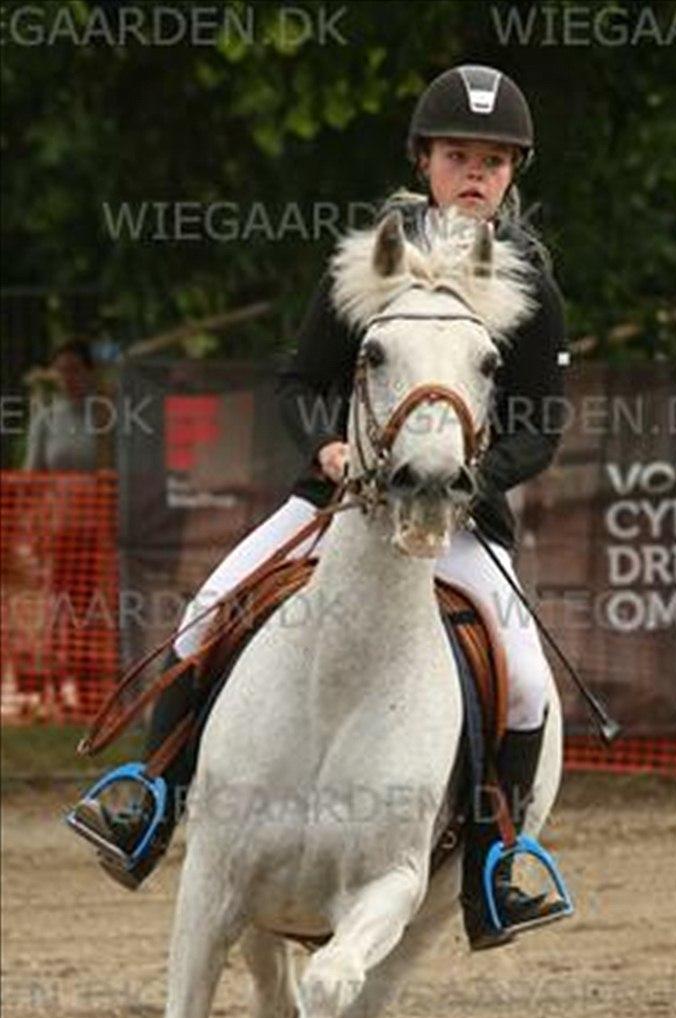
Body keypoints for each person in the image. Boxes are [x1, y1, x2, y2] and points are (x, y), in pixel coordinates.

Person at [69, 65, 569, 948]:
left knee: (526, 683)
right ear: (425, 162)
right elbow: (299, 380)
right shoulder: (370, 261)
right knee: (204, 613)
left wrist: (469, 485)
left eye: (494, 161)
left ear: (513, 174)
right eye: (460, 155)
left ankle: (495, 868)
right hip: (340, 504)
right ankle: (151, 797)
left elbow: (542, 429)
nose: (476, 175)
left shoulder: (530, 286)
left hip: (458, 524)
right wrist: (329, 448)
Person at [25, 337, 115, 715]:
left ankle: (90, 688)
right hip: (59, 530)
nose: (68, 378)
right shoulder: (46, 418)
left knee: (92, 610)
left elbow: (116, 468)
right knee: (58, 608)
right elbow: (31, 478)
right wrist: (33, 528)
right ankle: (57, 687)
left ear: (89, 373)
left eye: (75, 370)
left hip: (98, 531)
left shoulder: (105, 416)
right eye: (61, 371)